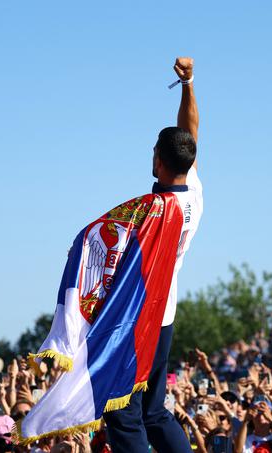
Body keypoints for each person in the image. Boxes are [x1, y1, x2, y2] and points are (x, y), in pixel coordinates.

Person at [101, 56, 202, 453]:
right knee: (154, 410)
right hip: (167, 316)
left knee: (121, 408)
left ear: (158, 161)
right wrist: (189, 83)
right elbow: (189, 130)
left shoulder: (151, 213)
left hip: (141, 319)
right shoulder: (193, 192)